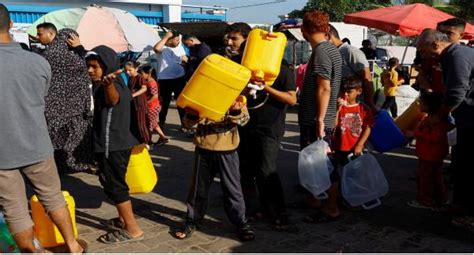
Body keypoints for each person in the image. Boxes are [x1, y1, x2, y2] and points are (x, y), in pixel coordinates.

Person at [0, 5, 87, 252]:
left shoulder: (44, 59)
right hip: (37, 143)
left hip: (2, 152)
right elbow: (40, 97)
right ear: (12, 24)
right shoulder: (38, 62)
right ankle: (72, 244)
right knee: (53, 196)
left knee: (14, 208)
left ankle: (35, 252)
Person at [225, 22, 298, 228]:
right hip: (244, 125)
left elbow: (291, 100)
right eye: (229, 38)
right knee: (246, 170)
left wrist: (265, 87)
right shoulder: (237, 65)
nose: (230, 42)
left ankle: (280, 213)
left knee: (266, 170)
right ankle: (256, 208)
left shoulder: (279, 67)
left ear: (249, 40)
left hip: (269, 128)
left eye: (234, 38)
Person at [85, 45, 145, 243]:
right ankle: (122, 219)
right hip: (121, 141)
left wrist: (108, 85)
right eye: (88, 66)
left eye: (94, 66)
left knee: (115, 185)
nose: (90, 70)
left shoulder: (111, 83)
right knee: (114, 182)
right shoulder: (119, 79)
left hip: (113, 144)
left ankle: (132, 229)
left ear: (108, 66)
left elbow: (113, 101)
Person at [173, 99, 255, 241]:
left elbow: (244, 121)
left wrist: (235, 110)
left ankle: (241, 222)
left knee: (233, 189)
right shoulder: (200, 94)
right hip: (204, 149)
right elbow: (187, 124)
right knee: (198, 189)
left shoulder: (236, 94)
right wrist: (192, 115)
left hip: (228, 150)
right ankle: (192, 220)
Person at [416, 29, 474, 230]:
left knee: (468, 166)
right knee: (461, 165)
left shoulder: (457, 56)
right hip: (465, 119)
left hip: (471, 120)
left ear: (435, 44)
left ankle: (468, 214)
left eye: (424, 51)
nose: (423, 56)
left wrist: (438, 116)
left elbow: (457, 92)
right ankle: (460, 206)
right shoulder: (453, 55)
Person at [298, 10, 342, 220]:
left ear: (303, 30)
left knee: (323, 163)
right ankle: (315, 199)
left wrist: (320, 119)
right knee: (316, 162)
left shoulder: (322, 51)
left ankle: (331, 206)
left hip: (317, 119)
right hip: (321, 117)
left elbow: (324, 88)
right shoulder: (331, 49)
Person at [36, 23, 94, 174]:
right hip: (78, 105)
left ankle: (59, 165)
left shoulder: (47, 54)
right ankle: (78, 162)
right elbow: (90, 68)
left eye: (39, 34)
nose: (37, 37)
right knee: (78, 133)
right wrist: (80, 48)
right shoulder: (77, 56)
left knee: (56, 135)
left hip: (54, 106)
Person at [330, 78, 374, 213]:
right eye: (344, 91)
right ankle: (337, 197)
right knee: (333, 172)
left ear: (359, 91)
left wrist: (360, 145)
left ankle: (357, 197)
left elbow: (368, 128)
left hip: (353, 148)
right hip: (338, 147)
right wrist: (338, 109)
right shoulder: (339, 107)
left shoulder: (363, 109)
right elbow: (333, 126)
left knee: (355, 174)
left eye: (350, 92)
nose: (346, 95)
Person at [407, 92, 453, 210]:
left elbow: (435, 137)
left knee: (425, 178)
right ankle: (440, 199)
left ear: (428, 106)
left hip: (430, 155)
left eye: (421, 103)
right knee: (436, 177)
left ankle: (425, 200)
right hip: (432, 155)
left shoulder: (435, 122)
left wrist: (416, 134)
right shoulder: (432, 119)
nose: (419, 105)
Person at [328, 24, 377, 112]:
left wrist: (370, 104)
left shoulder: (350, 52)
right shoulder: (332, 54)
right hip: (339, 108)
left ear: (328, 37)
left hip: (354, 110)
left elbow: (367, 78)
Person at [153, 31, 188, 131]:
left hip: (179, 78)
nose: (178, 42)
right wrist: (166, 36)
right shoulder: (163, 47)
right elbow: (156, 48)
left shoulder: (179, 47)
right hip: (165, 80)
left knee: (181, 103)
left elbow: (184, 58)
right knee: (164, 103)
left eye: (179, 40)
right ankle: (162, 123)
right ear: (169, 39)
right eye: (176, 40)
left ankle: (184, 124)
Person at [139, 65, 169, 145]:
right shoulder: (148, 82)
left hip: (152, 107)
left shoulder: (151, 83)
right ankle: (163, 137)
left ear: (148, 73)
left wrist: (145, 103)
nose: (140, 75)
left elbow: (155, 96)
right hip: (153, 106)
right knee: (154, 123)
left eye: (141, 73)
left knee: (149, 125)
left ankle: (149, 141)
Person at [124, 61, 152, 146]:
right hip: (133, 105)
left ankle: (147, 142)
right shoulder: (130, 78)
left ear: (136, 69)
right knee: (134, 123)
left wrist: (133, 95)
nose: (127, 72)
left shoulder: (139, 77)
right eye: (126, 70)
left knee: (141, 124)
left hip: (140, 104)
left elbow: (144, 88)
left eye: (130, 70)